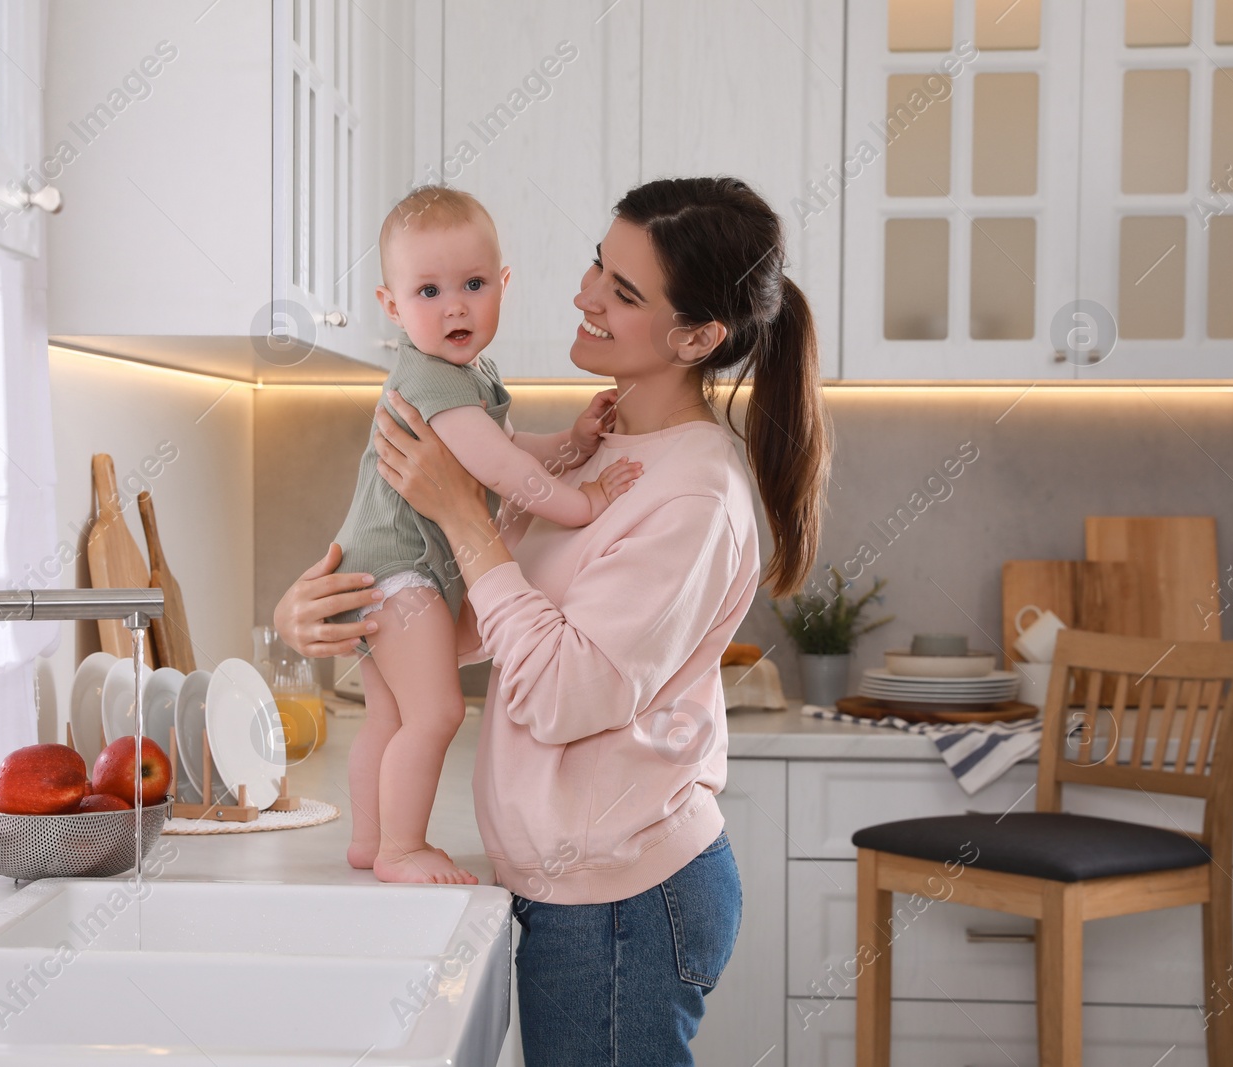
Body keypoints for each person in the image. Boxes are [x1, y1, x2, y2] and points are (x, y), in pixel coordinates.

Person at [275, 175, 830, 1065]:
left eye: (623, 290)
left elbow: (563, 694)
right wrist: (335, 613)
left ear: (696, 336)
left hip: (627, 900)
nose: (585, 295)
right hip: (573, 886)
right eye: (595, 266)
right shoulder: (605, 450)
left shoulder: (694, 494)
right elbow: (484, 625)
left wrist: (463, 515)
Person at [329, 185, 644, 884]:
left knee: (388, 712)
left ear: (503, 284)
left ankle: (369, 839)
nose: (455, 307)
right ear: (391, 305)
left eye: (473, 284)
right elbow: (501, 467)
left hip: (382, 572)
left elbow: (502, 443)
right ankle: (401, 848)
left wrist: (569, 440)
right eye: (428, 290)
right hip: (400, 579)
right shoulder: (433, 379)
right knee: (437, 711)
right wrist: (583, 498)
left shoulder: (465, 374)